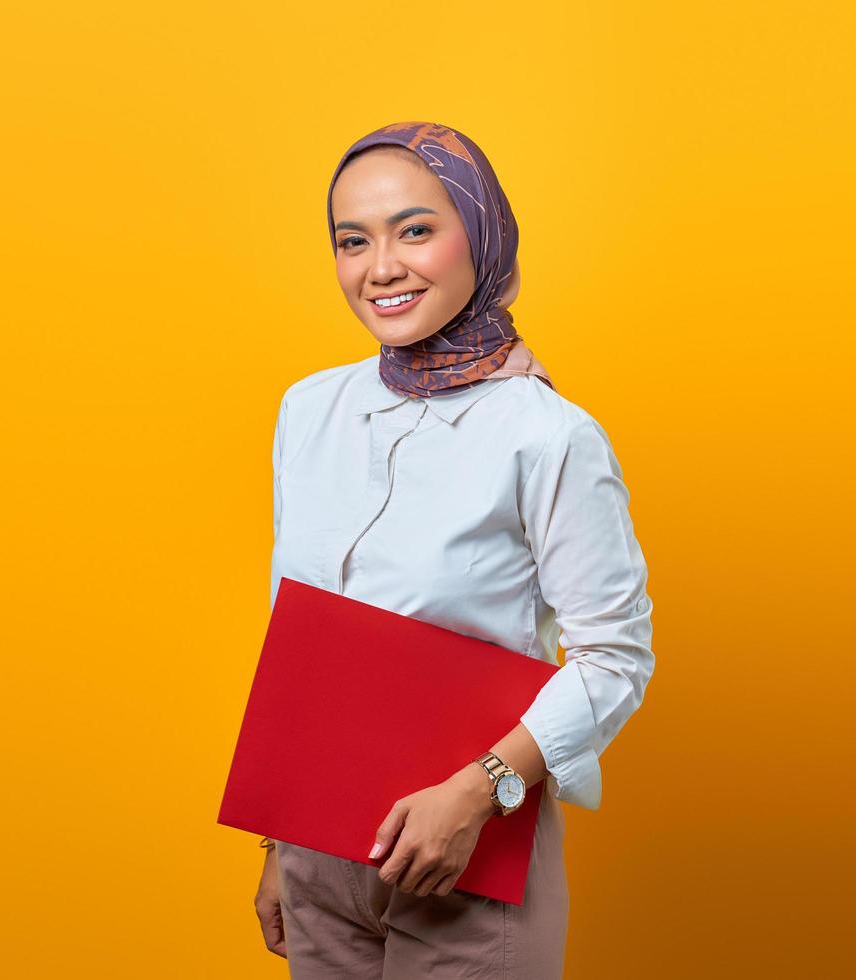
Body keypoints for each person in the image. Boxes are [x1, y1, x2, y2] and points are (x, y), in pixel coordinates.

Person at [252, 121, 656, 979]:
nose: (380, 268)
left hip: (467, 850)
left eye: (415, 230)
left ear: (480, 233)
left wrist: (477, 794)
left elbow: (613, 659)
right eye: (351, 241)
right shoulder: (308, 411)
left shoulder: (546, 434)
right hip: (316, 852)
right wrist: (277, 832)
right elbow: (296, 631)